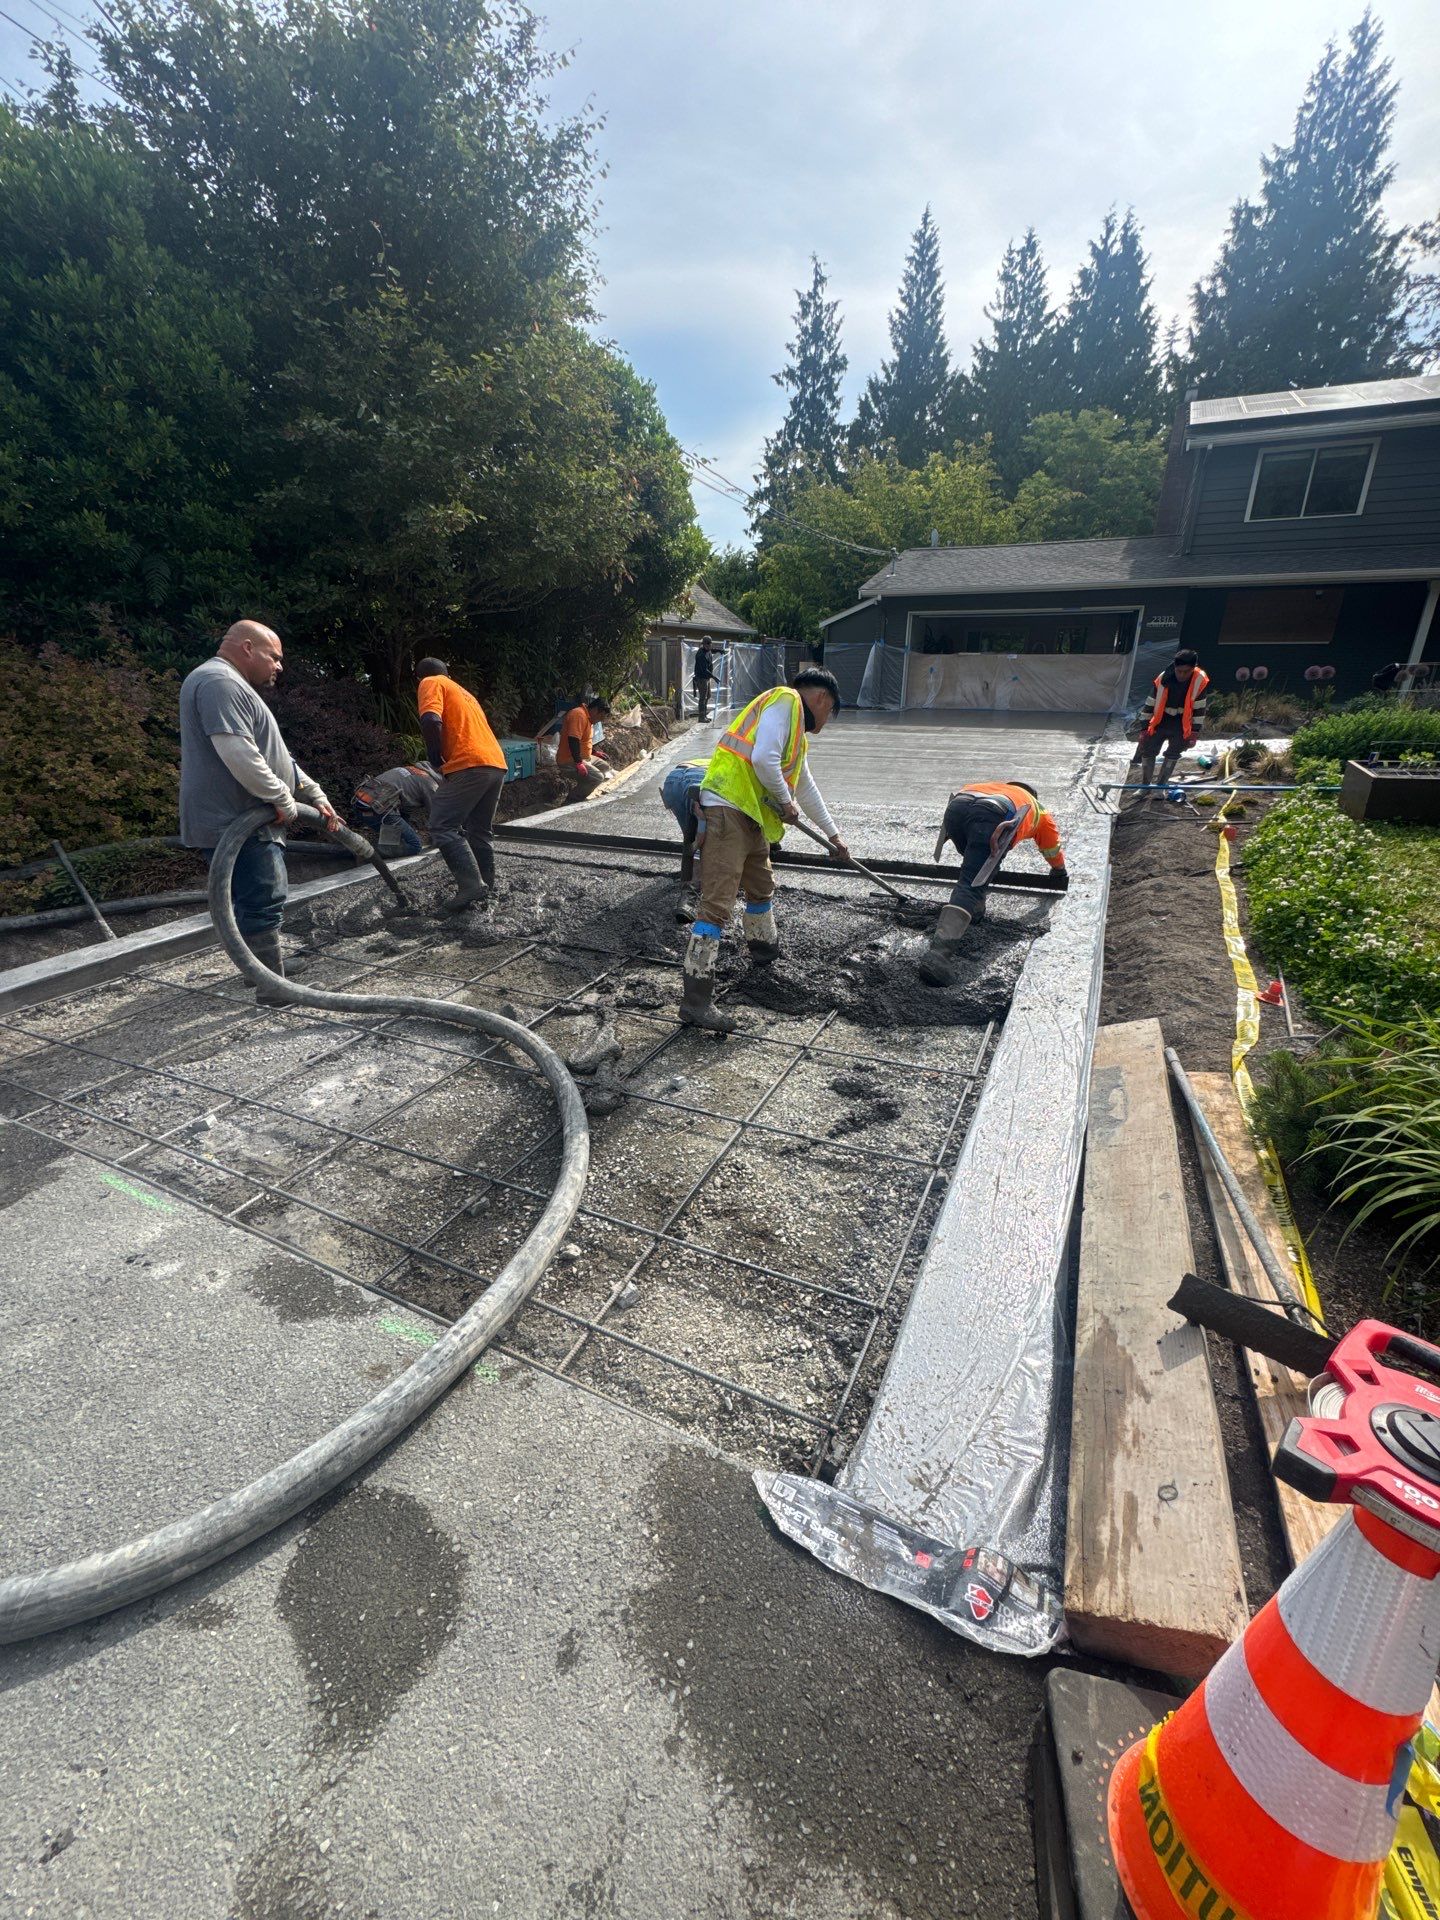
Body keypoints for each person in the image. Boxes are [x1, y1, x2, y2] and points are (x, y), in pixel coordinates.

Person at [680, 668, 850, 1033]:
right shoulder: (786, 700)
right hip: (727, 805)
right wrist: (785, 802)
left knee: (761, 886)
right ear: (822, 699)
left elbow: (806, 787)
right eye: (830, 711)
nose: (826, 720)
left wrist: (834, 836)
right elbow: (762, 759)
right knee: (716, 904)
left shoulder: (797, 737)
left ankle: (764, 954)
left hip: (751, 813)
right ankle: (696, 1000)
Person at [178, 619, 339, 999]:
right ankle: (273, 988)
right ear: (247, 648)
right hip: (239, 819)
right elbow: (239, 752)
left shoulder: (228, 685)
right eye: (274, 656)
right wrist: (283, 800)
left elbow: (274, 755)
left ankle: (263, 970)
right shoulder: (220, 682)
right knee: (265, 898)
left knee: (250, 900)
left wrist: (313, 793)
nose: (279, 666)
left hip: (243, 817)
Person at [920, 781, 1067, 987]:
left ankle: (975, 911)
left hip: (957, 809)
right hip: (993, 817)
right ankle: (938, 956)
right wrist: (1059, 870)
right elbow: (1051, 847)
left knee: (976, 867)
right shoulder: (1038, 810)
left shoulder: (992, 786)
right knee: (972, 881)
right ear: (1033, 795)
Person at [416, 657, 510, 912]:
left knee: (442, 825)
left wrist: (436, 757)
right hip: (496, 763)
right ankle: (486, 886)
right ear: (448, 672)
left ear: (420, 676)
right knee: (479, 829)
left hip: (469, 764)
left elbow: (431, 720)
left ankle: (471, 887)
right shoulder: (465, 693)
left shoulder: (430, 682)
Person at [1133, 648, 1210, 795]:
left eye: (1186, 672)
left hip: (1182, 723)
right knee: (1148, 750)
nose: (1181, 675)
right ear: (1174, 667)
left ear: (1193, 668)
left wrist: (1194, 732)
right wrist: (1144, 728)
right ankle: (1145, 787)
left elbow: (1200, 708)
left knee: (1173, 753)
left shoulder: (1199, 681)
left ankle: (1160, 788)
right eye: (1179, 671)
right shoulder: (1163, 679)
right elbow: (1150, 703)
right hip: (1161, 720)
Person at [348, 762, 440, 856]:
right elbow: (439, 817)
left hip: (361, 804)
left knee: (397, 840)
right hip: (377, 809)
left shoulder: (412, 770)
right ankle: (364, 852)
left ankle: (384, 845)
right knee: (414, 845)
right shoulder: (430, 785)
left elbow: (405, 808)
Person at [660, 757, 710, 922]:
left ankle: (686, 878)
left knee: (690, 835)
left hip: (673, 780)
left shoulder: (715, 759)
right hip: (697, 783)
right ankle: (689, 898)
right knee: (704, 841)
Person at [557, 695, 612, 799]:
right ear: (595, 710)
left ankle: (586, 788)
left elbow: (583, 741)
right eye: (601, 717)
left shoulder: (588, 718)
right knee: (598, 778)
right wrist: (578, 762)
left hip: (583, 757)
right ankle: (572, 800)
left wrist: (594, 752)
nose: (599, 720)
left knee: (605, 767)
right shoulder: (578, 715)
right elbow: (573, 740)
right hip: (569, 760)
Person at [692, 638, 716, 723]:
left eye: (710, 644)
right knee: (703, 698)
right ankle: (701, 717)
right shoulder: (700, 655)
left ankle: (704, 715)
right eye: (708, 644)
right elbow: (704, 669)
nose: (710, 646)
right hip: (701, 678)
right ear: (704, 644)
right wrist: (714, 677)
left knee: (708, 696)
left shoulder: (707, 650)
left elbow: (711, 651)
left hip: (706, 678)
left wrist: (719, 651)